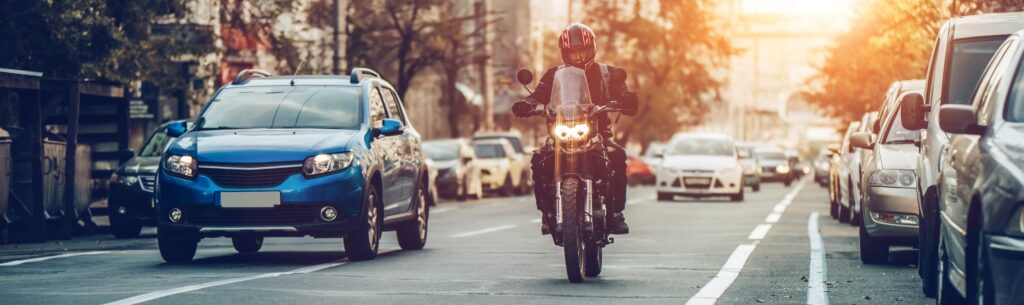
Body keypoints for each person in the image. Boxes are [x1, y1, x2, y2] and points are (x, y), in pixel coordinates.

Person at [512, 23, 638, 235]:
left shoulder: (608, 73)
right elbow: (538, 96)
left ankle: (616, 213)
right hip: (562, 131)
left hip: (598, 134)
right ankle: (547, 213)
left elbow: (621, 92)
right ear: (565, 53)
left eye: (583, 51)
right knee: (540, 159)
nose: (579, 57)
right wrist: (527, 104)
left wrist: (625, 98)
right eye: (574, 52)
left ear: (592, 49)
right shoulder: (553, 75)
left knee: (617, 156)